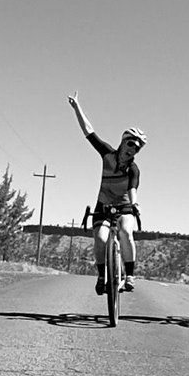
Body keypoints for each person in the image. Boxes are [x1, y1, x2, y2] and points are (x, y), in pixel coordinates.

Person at [68, 92, 145, 293]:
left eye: (137, 148)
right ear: (123, 141)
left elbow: (133, 189)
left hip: (125, 207)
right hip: (103, 206)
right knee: (101, 238)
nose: (133, 150)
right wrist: (77, 107)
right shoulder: (108, 155)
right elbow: (89, 131)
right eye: (131, 144)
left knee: (126, 231)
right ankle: (102, 275)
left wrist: (134, 205)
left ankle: (129, 274)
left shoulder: (133, 169)